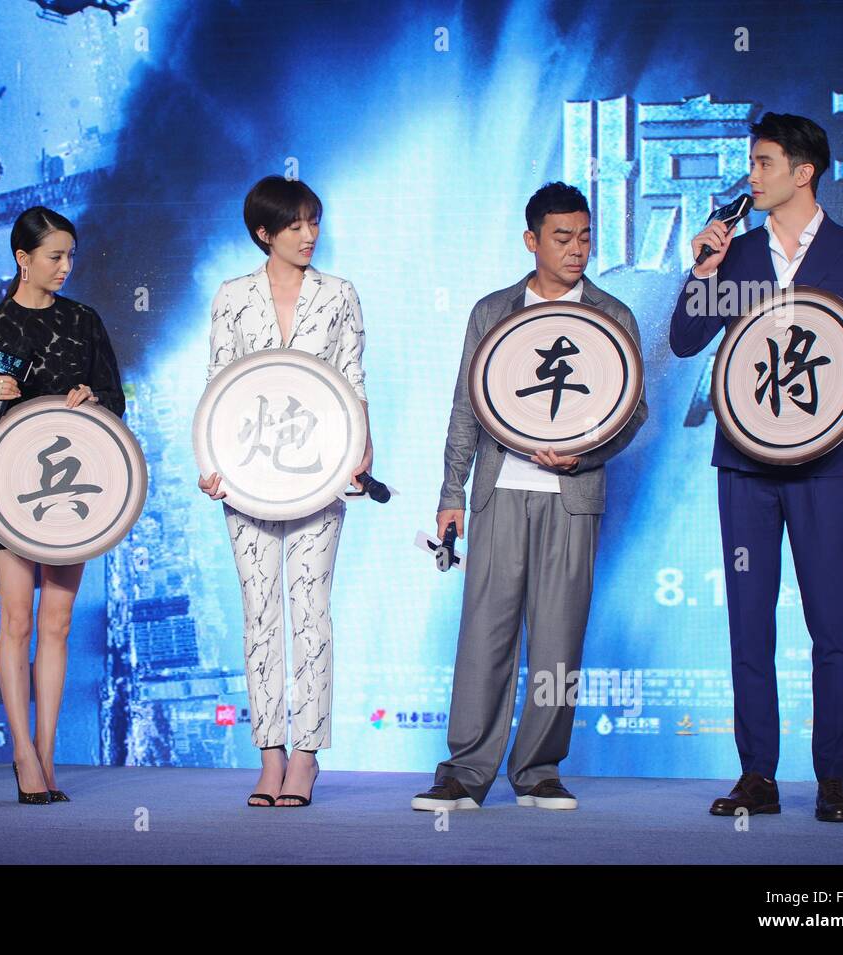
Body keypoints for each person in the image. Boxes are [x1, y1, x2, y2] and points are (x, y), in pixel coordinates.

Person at [668, 113, 843, 822]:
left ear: (803, 172)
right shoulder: (735, 256)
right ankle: (757, 775)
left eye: (764, 164)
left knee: (832, 621)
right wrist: (702, 267)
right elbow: (683, 340)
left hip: (821, 463)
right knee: (748, 619)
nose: (752, 177)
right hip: (743, 463)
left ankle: (833, 778)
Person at [411, 181, 647, 813]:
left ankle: (540, 768)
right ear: (532, 240)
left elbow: (634, 413)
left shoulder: (613, 315)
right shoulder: (493, 311)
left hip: (573, 496)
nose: (577, 250)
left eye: (586, 237)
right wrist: (450, 493)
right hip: (499, 491)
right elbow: (466, 408)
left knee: (558, 639)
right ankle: (464, 771)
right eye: (563, 238)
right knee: (484, 634)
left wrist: (585, 455)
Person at [199, 176, 371, 808]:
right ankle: (268, 754)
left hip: (321, 473)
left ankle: (307, 755)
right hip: (246, 476)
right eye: (295, 225)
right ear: (263, 233)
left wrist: (361, 451)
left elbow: (353, 378)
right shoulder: (232, 297)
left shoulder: (339, 295)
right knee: (260, 612)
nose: (309, 234)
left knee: (310, 610)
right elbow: (218, 385)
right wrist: (210, 464)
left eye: (314, 222)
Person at [0, 206, 125, 805]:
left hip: (74, 494)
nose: (66, 266)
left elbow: (116, 400)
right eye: (55, 256)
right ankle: (21, 752)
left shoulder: (85, 321)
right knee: (17, 620)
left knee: (59, 623)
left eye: (71, 255)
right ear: (23, 259)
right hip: (11, 490)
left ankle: (48, 756)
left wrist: (91, 398)